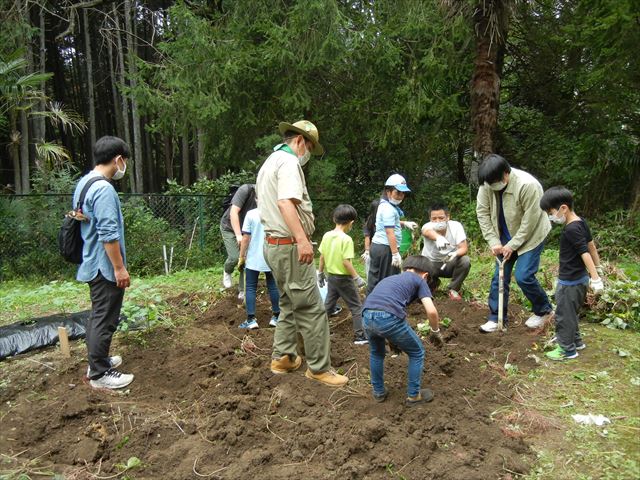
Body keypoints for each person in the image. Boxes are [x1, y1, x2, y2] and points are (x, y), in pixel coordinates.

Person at [256, 120, 348, 387]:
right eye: (308, 147)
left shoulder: (270, 161)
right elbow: (285, 202)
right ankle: (319, 368)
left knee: (287, 301)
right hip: (290, 245)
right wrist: (302, 239)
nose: (308, 153)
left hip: (274, 245)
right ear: (299, 141)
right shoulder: (288, 163)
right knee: (311, 308)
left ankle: (284, 357)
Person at [75, 136, 134, 390]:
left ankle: (97, 361)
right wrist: (119, 267)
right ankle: (99, 374)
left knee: (98, 315)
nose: (125, 166)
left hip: (90, 260)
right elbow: (108, 234)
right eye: (125, 161)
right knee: (104, 318)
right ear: (118, 159)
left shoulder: (85, 183)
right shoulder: (104, 189)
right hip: (104, 265)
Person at [476, 154, 554, 333]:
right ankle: (496, 317)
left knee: (524, 276)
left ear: (506, 174)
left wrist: (513, 245)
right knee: (499, 277)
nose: (491, 186)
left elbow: (530, 222)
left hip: (531, 235)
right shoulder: (486, 185)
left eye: (495, 181)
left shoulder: (528, 185)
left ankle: (544, 311)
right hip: (503, 237)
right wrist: (494, 241)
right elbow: (482, 213)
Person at [362, 255, 443, 406]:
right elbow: (431, 311)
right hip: (388, 317)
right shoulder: (419, 280)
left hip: (366, 315)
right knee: (417, 352)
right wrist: (435, 331)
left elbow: (384, 305)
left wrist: (392, 337)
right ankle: (414, 396)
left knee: (376, 353)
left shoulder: (391, 279)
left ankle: (378, 392)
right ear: (425, 275)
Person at [540, 187, 604, 360]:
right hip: (580, 279)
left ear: (563, 208)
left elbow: (585, 252)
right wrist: (597, 269)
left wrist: (596, 278)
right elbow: (591, 246)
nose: (550, 216)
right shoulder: (581, 222)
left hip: (570, 282)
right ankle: (576, 341)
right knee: (571, 313)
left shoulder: (571, 229)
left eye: (550, 212)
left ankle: (566, 349)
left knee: (563, 315)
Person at [317, 204, 367, 345]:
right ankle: (360, 336)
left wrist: (320, 273)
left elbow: (322, 256)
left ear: (334, 219)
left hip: (331, 276)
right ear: (351, 222)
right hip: (344, 279)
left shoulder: (327, 235)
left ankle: (317, 332)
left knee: (328, 306)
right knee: (356, 307)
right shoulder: (346, 239)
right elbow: (346, 262)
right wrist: (356, 278)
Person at [366, 174, 418, 295]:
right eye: (397, 192)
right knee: (387, 279)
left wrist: (404, 223)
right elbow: (390, 232)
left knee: (376, 277)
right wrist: (395, 254)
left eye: (403, 193)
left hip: (379, 246)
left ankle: (371, 303)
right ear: (388, 191)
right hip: (386, 248)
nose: (400, 196)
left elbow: (389, 223)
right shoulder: (389, 209)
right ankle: (384, 304)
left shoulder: (385, 205)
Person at [237, 206, 280, 329]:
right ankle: (276, 317)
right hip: (270, 255)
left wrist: (241, 257)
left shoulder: (251, 214)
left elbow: (245, 238)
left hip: (253, 258)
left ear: (256, 198)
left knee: (250, 287)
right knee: (273, 286)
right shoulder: (274, 212)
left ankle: (251, 320)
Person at [420, 202, 471, 300]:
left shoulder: (456, 226)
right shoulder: (427, 226)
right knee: (418, 267)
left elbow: (464, 248)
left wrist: (455, 253)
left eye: (441, 218)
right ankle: (433, 283)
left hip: (449, 263)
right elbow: (426, 232)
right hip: (430, 265)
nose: (438, 221)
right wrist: (438, 238)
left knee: (465, 261)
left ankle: (453, 289)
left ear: (447, 217)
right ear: (430, 219)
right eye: (434, 219)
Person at [220, 183, 257, 299]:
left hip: (247, 230)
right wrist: (238, 235)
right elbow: (233, 212)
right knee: (235, 257)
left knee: (245, 259)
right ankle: (227, 271)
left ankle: (242, 290)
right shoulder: (246, 190)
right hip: (229, 227)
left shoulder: (268, 195)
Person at [361, 198, 380, 279]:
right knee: (370, 270)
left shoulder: (385, 219)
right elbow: (367, 237)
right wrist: (367, 251)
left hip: (382, 248)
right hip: (373, 250)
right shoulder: (370, 221)